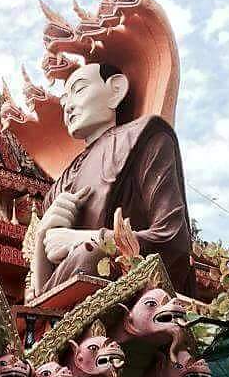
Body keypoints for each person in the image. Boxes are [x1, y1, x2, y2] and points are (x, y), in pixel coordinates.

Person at [32, 62, 193, 297]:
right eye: (64, 100)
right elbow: (40, 293)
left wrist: (87, 239)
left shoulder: (145, 136)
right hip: (62, 307)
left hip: (132, 293)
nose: (67, 107)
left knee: (90, 255)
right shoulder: (58, 187)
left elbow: (173, 240)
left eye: (79, 90)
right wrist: (41, 237)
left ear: (116, 90)